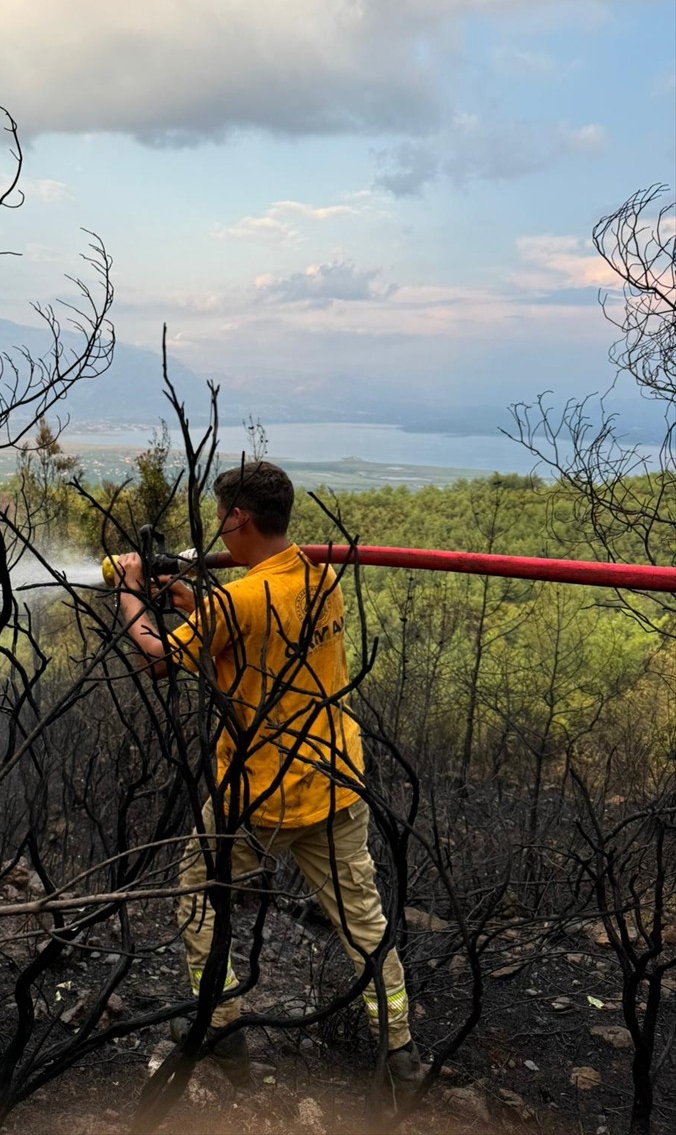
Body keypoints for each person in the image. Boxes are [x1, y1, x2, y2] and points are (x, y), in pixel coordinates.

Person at [115, 461, 420, 1094]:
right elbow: (267, 640)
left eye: (222, 514)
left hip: (262, 793)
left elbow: (161, 660)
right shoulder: (320, 576)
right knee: (363, 919)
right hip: (337, 777)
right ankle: (401, 1055)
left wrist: (128, 589)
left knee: (198, 896)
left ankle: (221, 1030)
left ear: (238, 518)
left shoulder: (240, 599)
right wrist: (201, 606)